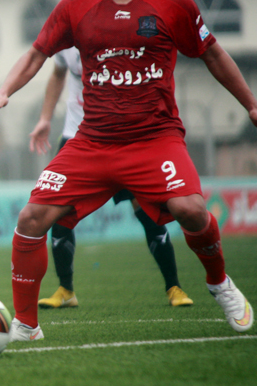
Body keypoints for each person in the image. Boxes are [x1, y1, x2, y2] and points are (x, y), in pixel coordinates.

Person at [0, 0, 257, 342]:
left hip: (155, 140)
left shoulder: (172, 4)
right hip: (92, 143)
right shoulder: (76, 6)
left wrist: (252, 107)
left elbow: (212, 53)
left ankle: (219, 283)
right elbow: (38, 53)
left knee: (192, 210)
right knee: (31, 217)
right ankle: (26, 324)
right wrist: (3, 92)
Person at [29, 45, 193, 308]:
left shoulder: (115, 36)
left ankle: (174, 287)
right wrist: (45, 118)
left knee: (147, 210)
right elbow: (58, 73)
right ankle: (65, 290)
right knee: (55, 212)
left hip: (121, 137)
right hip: (76, 139)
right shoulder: (65, 40)